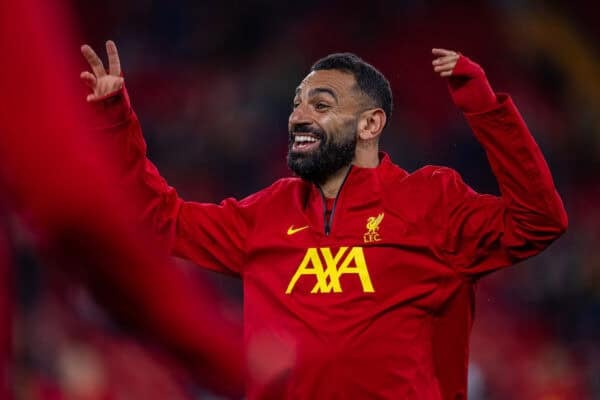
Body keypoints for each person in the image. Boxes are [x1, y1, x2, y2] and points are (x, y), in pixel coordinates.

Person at [80, 41, 567, 399]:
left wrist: (483, 106)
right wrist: (114, 118)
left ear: (370, 124)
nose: (297, 116)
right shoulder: (267, 213)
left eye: (321, 105)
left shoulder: (431, 201)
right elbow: (159, 220)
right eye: (297, 104)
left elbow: (538, 219)